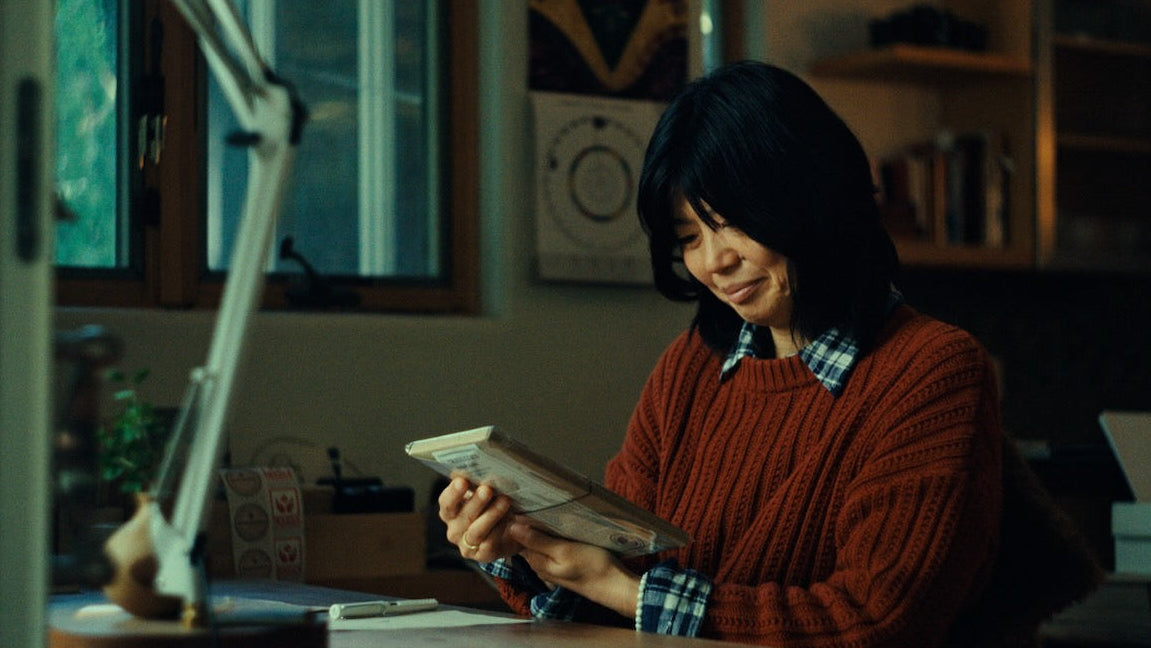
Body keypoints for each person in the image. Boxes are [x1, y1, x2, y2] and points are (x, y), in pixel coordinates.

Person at [439, 61, 1011, 646]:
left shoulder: (932, 371)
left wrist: (622, 590)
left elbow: (877, 620)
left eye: (732, 222)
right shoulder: (690, 367)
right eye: (689, 237)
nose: (714, 261)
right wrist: (520, 545)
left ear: (814, 200)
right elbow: (619, 569)